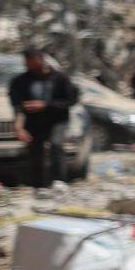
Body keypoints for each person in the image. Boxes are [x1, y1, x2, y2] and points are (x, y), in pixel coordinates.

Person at [7, 48, 81, 188]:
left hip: (58, 120)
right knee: (35, 151)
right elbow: (18, 106)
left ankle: (59, 181)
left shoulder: (60, 79)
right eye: (28, 62)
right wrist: (19, 127)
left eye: (33, 61)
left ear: (41, 60)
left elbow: (70, 100)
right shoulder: (20, 81)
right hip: (34, 122)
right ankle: (39, 185)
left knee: (56, 145)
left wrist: (46, 105)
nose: (30, 66)